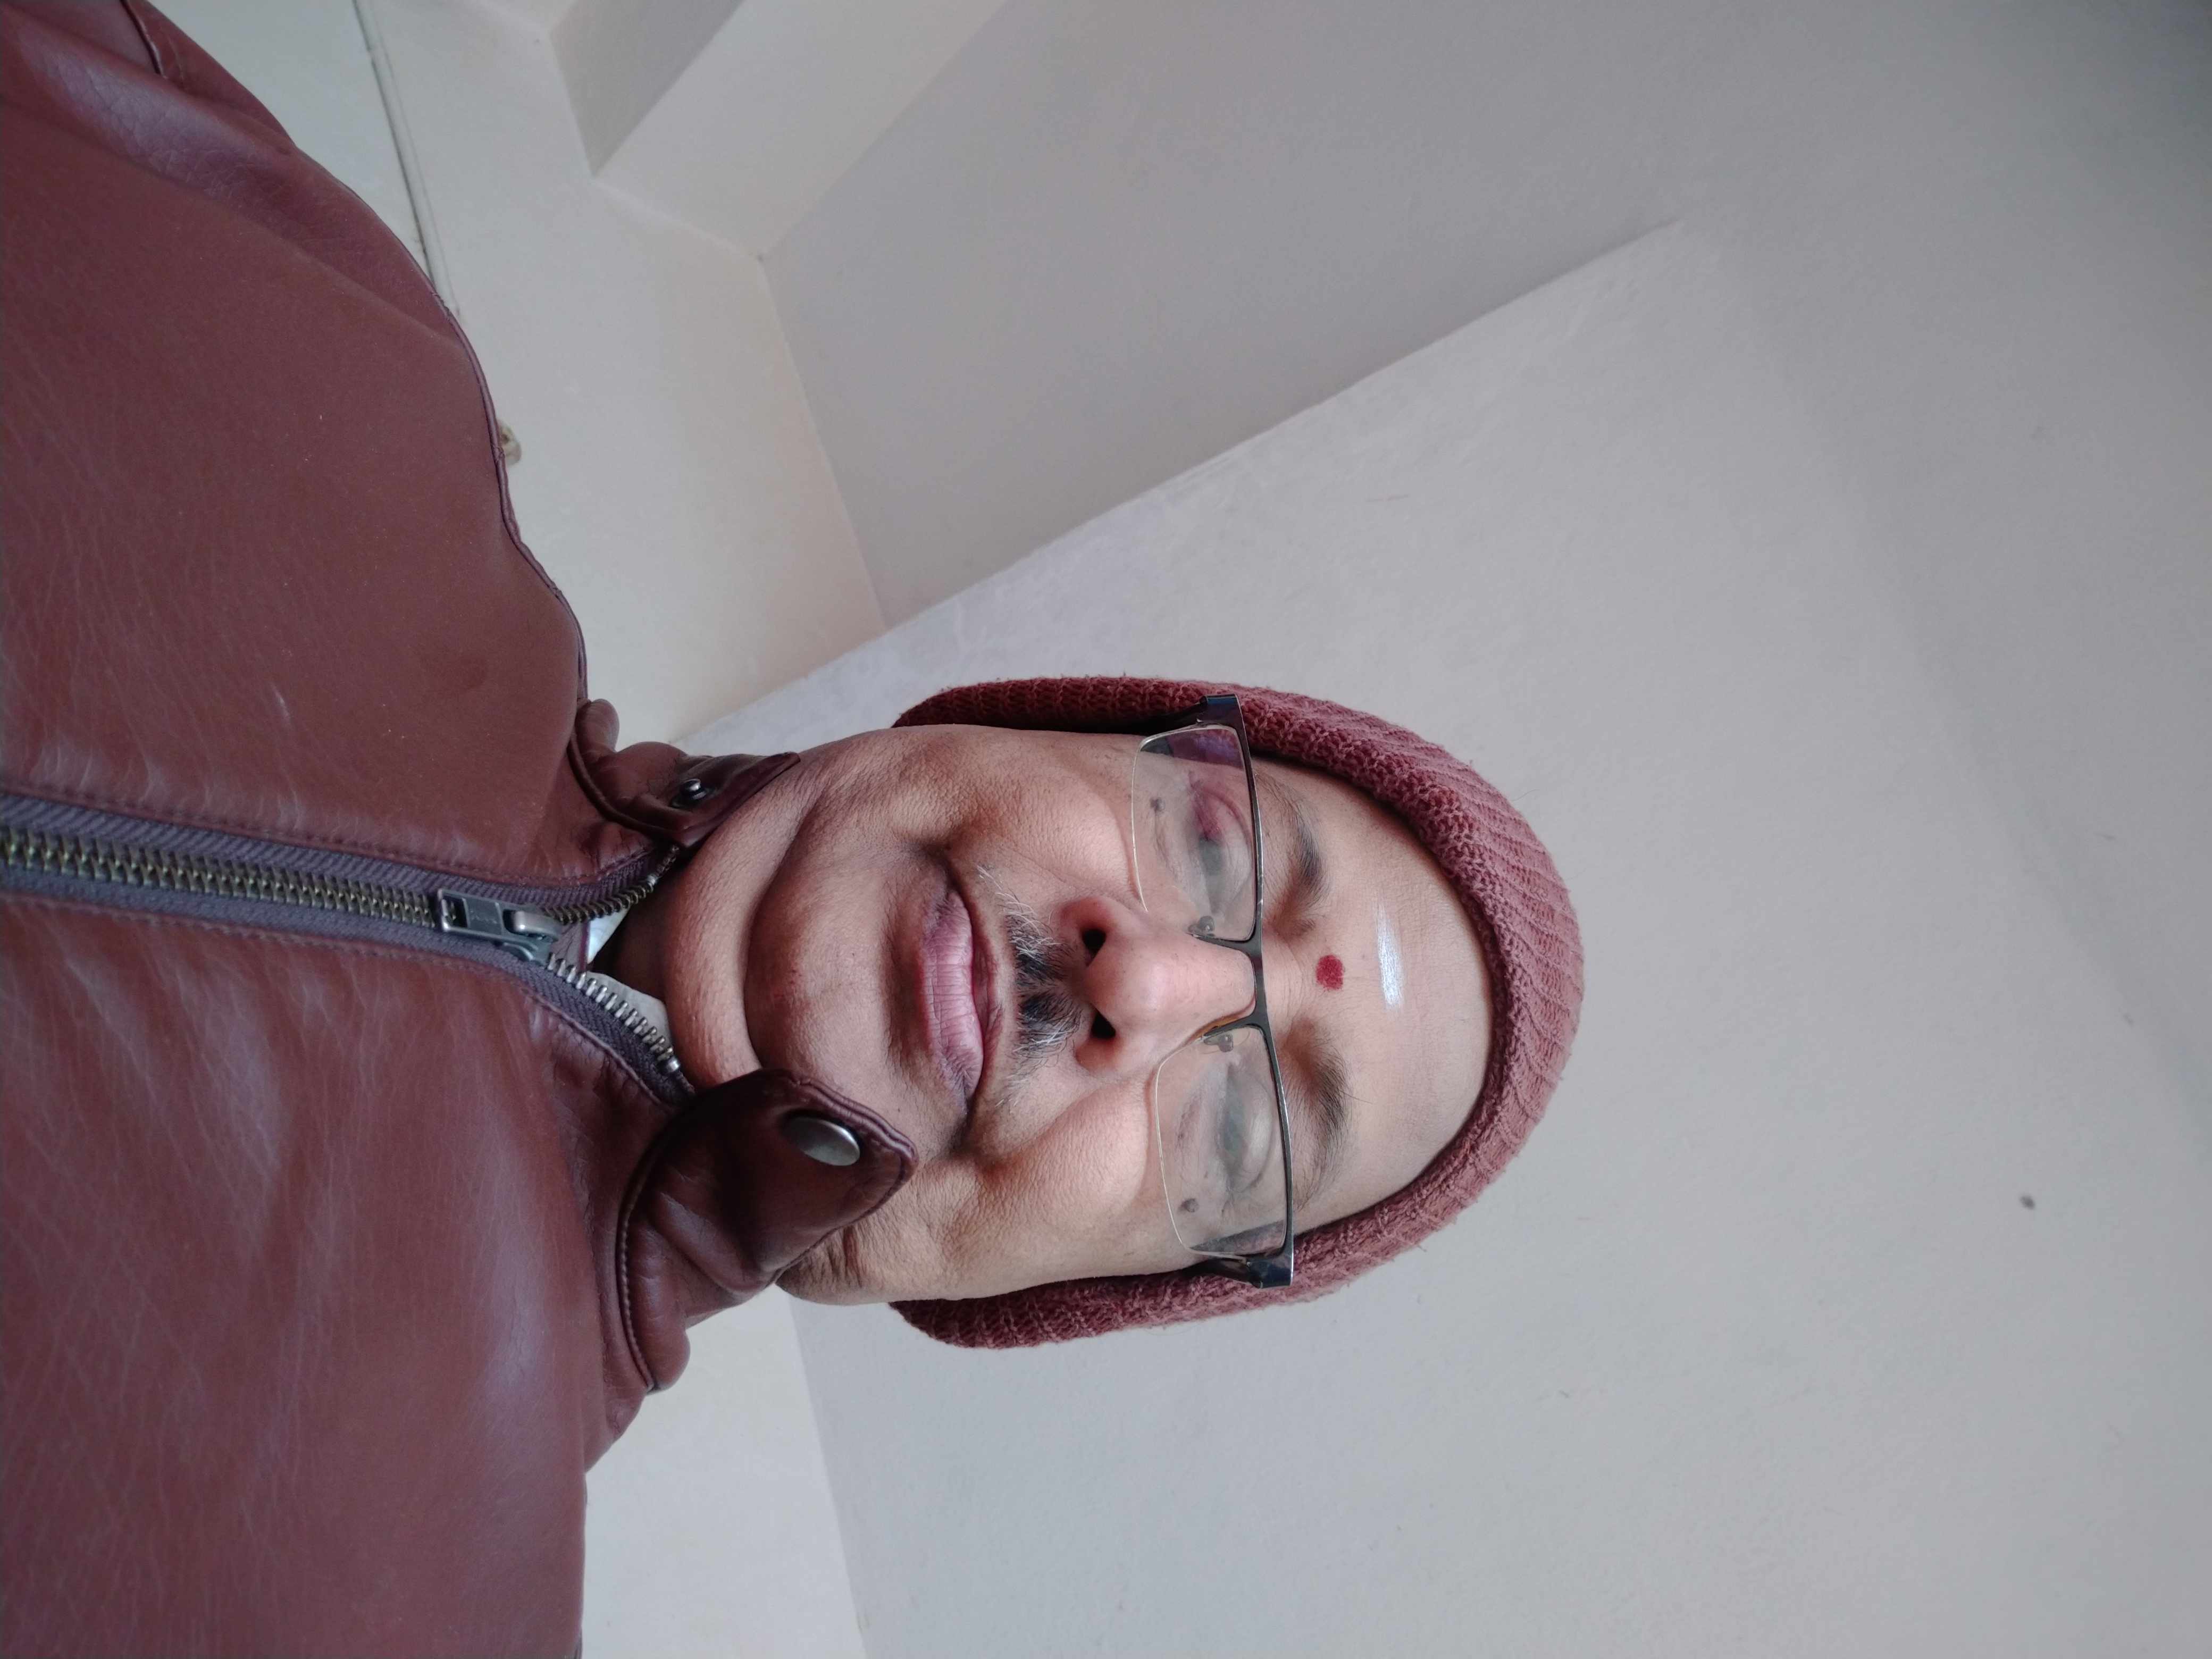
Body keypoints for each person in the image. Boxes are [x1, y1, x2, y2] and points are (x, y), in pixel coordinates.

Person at [0, 3, 1581, 1653]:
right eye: (1212, 850)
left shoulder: (395, 1612)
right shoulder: (340, 335)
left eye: (1242, 1132)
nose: (1150, 982)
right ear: (1026, 726)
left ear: (1042, 1288)